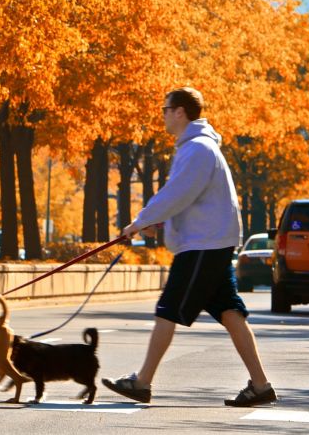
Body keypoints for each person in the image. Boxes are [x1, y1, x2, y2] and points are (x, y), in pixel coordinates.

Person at [101, 87, 277, 407]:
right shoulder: (196, 147)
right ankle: (261, 385)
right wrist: (161, 224)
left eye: (165, 109)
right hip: (210, 242)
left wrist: (139, 222)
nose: (163, 115)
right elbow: (188, 200)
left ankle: (142, 382)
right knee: (230, 312)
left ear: (180, 112)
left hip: (203, 246)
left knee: (168, 308)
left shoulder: (197, 149)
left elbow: (175, 195)